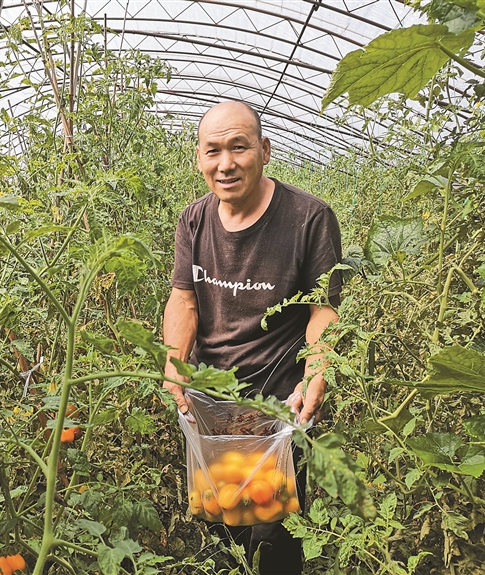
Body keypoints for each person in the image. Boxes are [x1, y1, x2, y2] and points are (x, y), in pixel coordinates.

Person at [162, 101, 342, 575]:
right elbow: (184, 301)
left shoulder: (309, 218)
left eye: (239, 147)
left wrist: (315, 375)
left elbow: (322, 310)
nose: (226, 164)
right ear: (199, 159)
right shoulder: (193, 220)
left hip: (278, 405)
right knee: (224, 518)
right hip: (212, 403)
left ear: (264, 150)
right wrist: (172, 367)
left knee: (274, 524)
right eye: (213, 151)